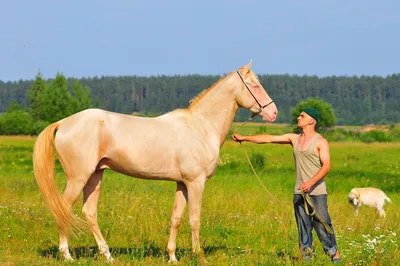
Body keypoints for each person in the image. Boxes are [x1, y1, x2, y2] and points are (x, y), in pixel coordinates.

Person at [232, 108, 340, 262]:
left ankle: (333, 253)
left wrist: (310, 183)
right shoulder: (294, 138)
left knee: (322, 224)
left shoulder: (321, 142)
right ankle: (307, 256)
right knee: (303, 226)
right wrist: (244, 137)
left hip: (317, 191)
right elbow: (268, 138)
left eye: (302, 116)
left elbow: (327, 166)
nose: (298, 117)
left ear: (311, 121)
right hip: (299, 191)